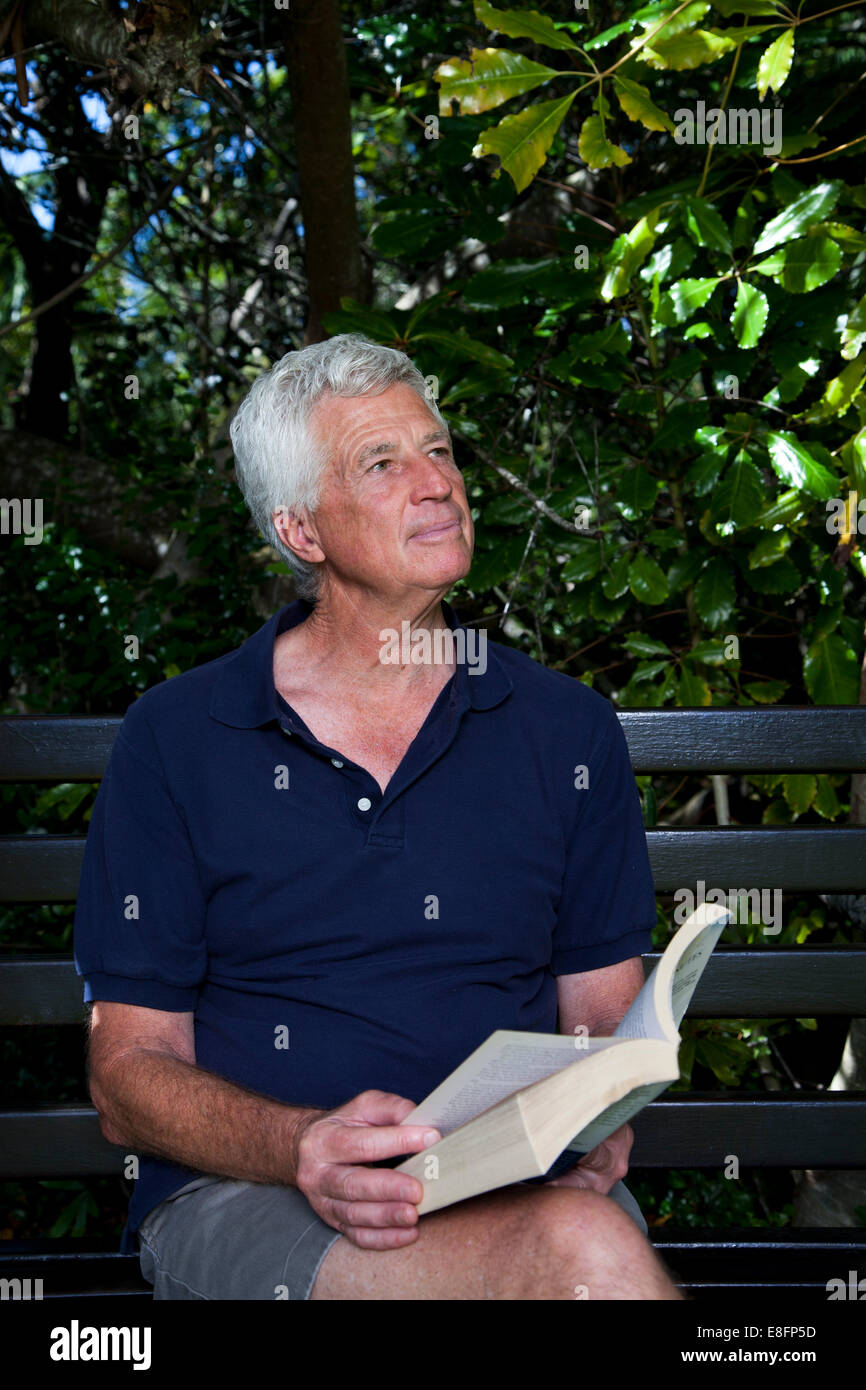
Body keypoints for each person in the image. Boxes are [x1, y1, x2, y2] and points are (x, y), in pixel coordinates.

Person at [74, 334, 683, 1300]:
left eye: (438, 450)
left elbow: (602, 1014)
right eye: (382, 462)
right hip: (255, 1193)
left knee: (574, 1243)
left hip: (513, 1190)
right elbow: (128, 1073)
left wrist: (597, 1112)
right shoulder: (177, 740)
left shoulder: (565, 729)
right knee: (584, 1258)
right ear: (302, 531)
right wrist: (300, 1145)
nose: (436, 482)